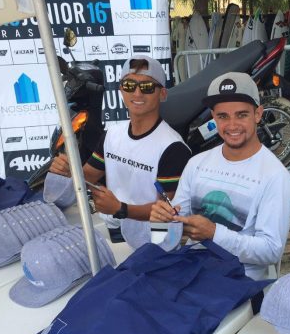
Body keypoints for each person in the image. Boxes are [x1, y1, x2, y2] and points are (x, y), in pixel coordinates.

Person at [151, 72, 290, 280]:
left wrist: (213, 233)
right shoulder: (196, 163)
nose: (232, 125)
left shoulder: (277, 178)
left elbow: (271, 251)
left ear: (258, 114)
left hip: (235, 281)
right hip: (190, 269)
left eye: (241, 115)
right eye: (223, 116)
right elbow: (168, 240)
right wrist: (160, 224)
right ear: (213, 117)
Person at [49, 55, 191, 229]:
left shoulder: (173, 147)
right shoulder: (112, 134)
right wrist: (68, 171)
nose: (137, 93)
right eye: (129, 85)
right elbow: (88, 176)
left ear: (162, 93)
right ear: (121, 90)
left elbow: (167, 210)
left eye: (147, 87)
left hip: (151, 237)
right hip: (114, 226)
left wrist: (121, 209)